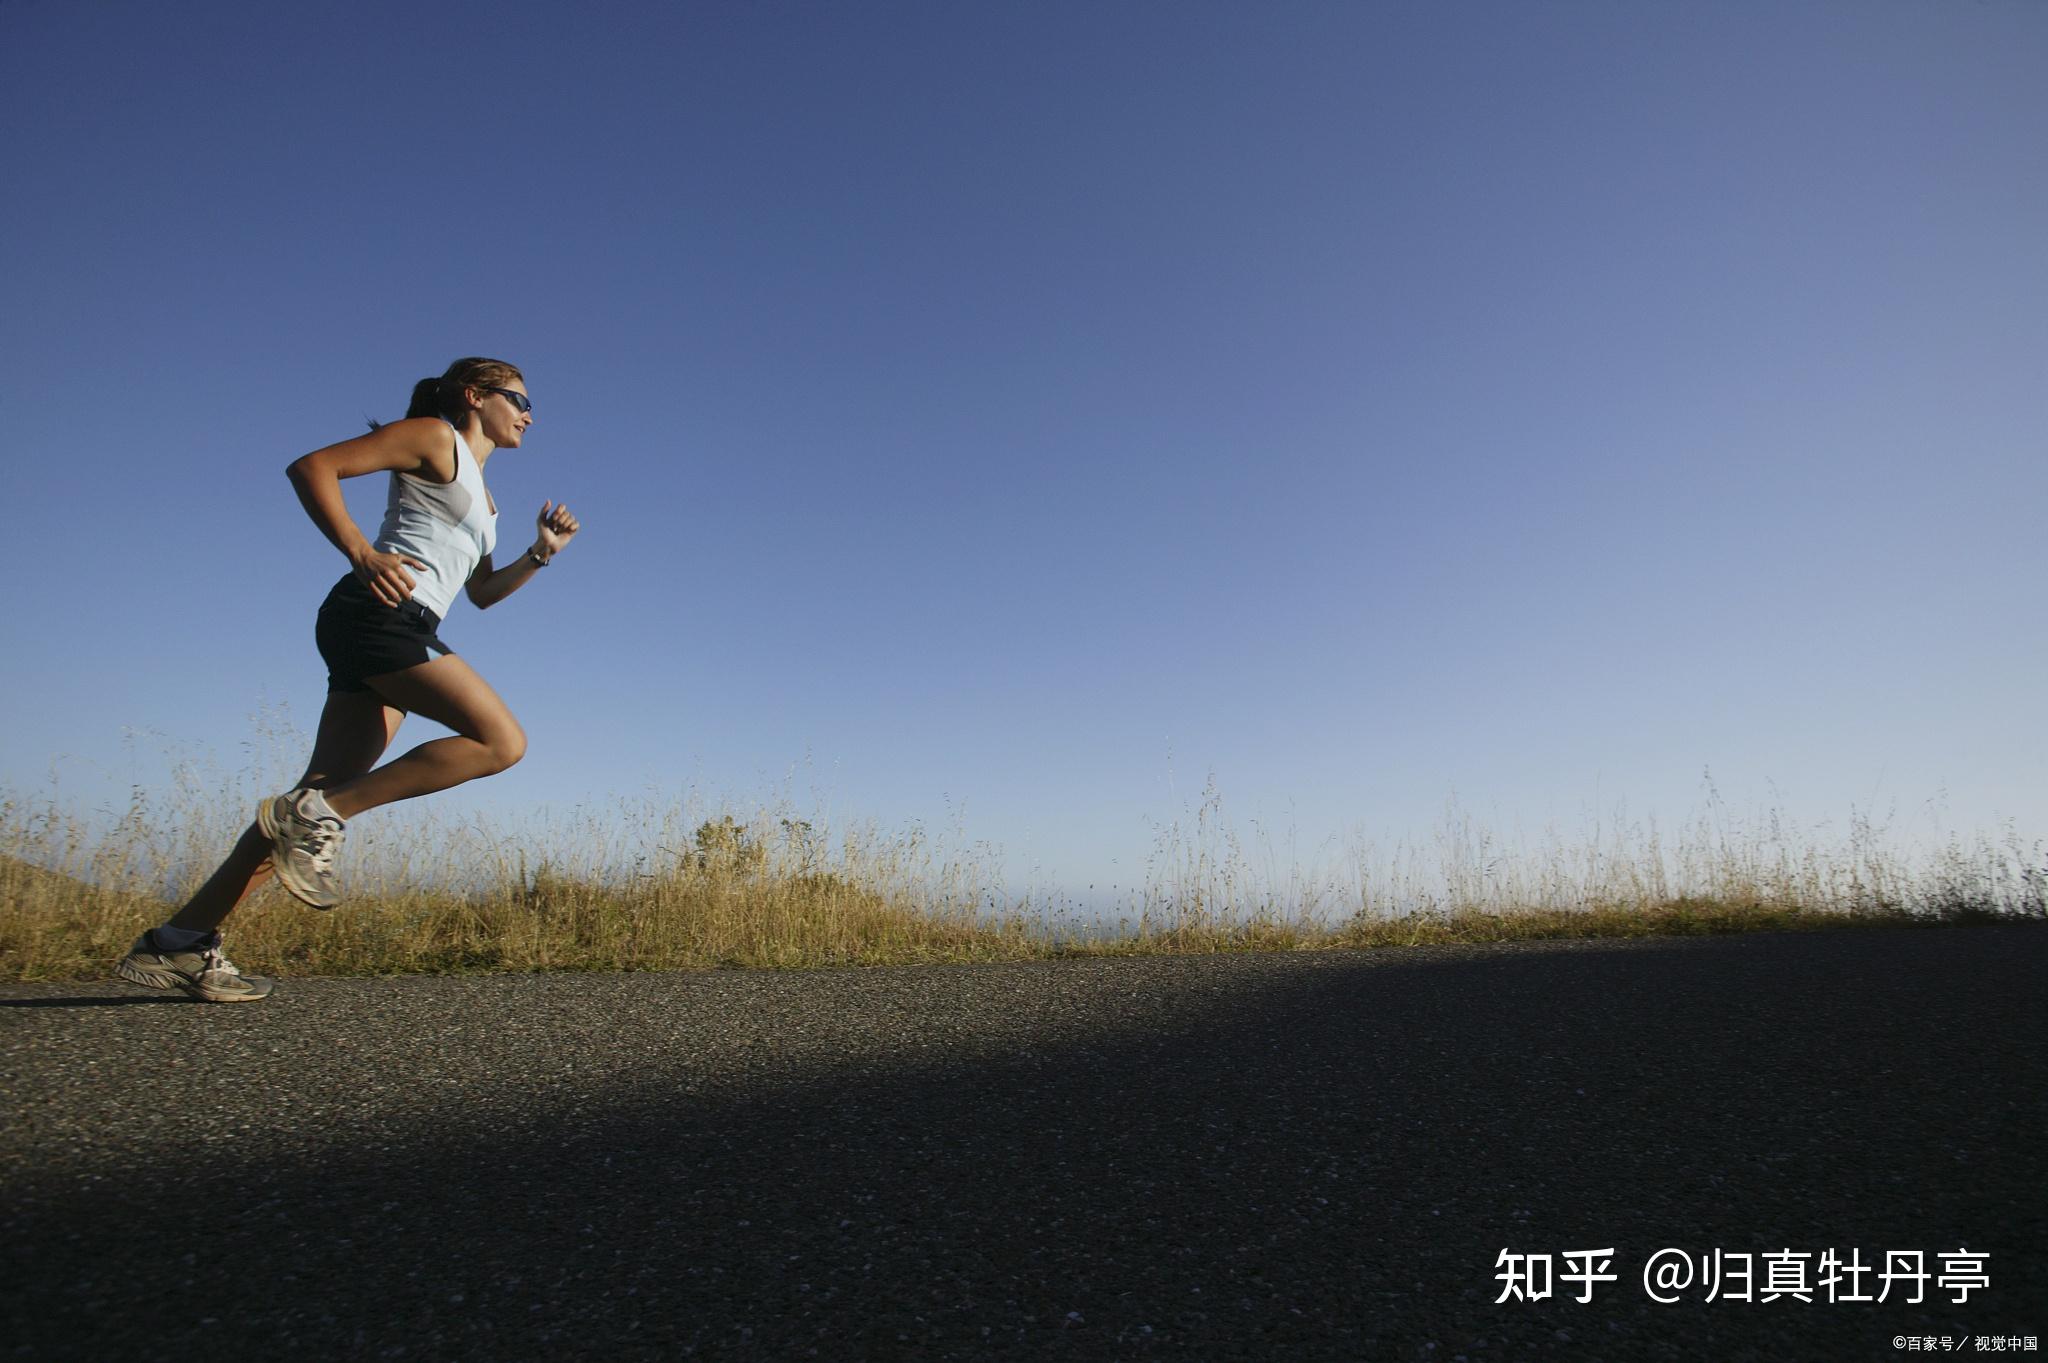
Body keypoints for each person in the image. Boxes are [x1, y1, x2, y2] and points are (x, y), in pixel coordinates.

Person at [116, 357, 580, 1002]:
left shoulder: (487, 497)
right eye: (518, 400)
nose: (529, 415)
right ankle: (321, 817)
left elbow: (480, 594)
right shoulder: (433, 436)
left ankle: (179, 941)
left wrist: (539, 554)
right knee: (500, 742)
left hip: (400, 624)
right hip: (378, 615)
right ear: (475, 396)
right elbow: (313, 467)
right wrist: (361, 552)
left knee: (305, 803)